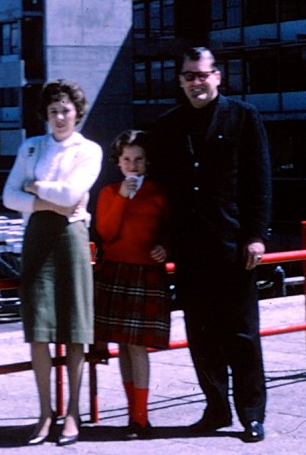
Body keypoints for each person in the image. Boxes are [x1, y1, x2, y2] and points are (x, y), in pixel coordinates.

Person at [149, 47, 272, 443]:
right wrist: (163, 240)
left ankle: (251, 414)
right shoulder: (167, 126)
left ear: (218, 76)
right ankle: (216, 408)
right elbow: (162, 191)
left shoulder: (244, 117)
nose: (196, 83)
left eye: (202, 75)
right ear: (180, 80)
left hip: (233, 246)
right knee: (201, 335)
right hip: (189, 249)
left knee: (242, 335)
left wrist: (256, 235)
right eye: (188, 76)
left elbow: (259, 181)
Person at [2, 79, 102, 447]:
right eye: (53, 111)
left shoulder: (88, 150)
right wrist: (47, 200)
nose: (60, 117)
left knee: (75, 329)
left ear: (77, 112)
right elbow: (8, 197)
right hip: (37, 239)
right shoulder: (31, 148)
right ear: (45, 114)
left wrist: (34, 187)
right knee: (40, 331)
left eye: (66, 110)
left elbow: (74, 195)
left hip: (72, 238)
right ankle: (45, 413)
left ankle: (73, 413)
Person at [94, 129, 171, 440]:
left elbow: (170, 230)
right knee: (123, 345)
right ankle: (132, 414)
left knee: (138, 346)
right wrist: (122, 198)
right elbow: (105, 232)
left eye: (139, 160)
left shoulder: (159, 193)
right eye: (127, 160)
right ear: (118, 162)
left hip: (146, 272)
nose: (133, 165)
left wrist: (167, 247)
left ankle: (141, 417)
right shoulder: (109, 192)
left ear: (147, 162)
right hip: (115, 270)